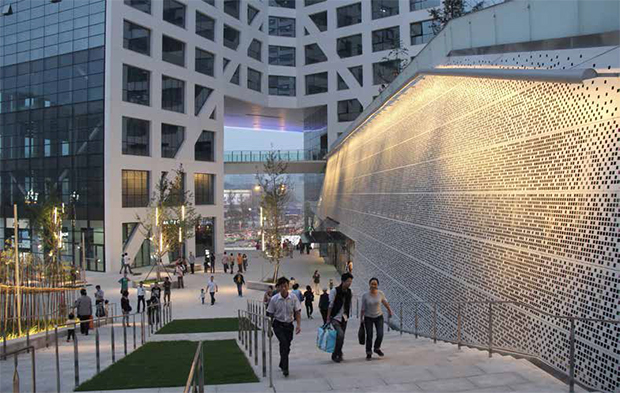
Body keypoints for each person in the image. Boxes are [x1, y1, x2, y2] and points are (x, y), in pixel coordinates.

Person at [266, 277, 301, 377]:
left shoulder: (293, 298)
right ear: (278, 288)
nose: (284, 289)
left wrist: (298, 325)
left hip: (289, 325)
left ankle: (282, 362)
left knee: (286, 346)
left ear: (288, 286)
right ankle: (285, 368)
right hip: (278, 325)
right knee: (284, 343)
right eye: (281, 287)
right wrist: (269, 328)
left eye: (285, 286)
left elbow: (297, 311)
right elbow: (270, 315)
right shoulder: (274, 299)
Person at [361, 277, 393, 360]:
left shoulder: (380, 294)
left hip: (379, 316)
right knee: (369, 335)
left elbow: (385, 302)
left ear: (377, 285)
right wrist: (361, 319)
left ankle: (376, 348)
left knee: (380, 334)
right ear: (369, 284)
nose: (373, 285)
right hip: (368, 317)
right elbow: (363, 308)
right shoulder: (365, 295)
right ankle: (368, 352)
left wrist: (389, 310)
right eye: (372, 283)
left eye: (375, 284)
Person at [326, 272, 353, 363]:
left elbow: (348, 304)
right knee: (340, 334)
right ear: (343, 281)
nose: (349, 283)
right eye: (348, 281)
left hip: (344, 318)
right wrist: (328, 317)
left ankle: (338, 353)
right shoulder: (335, 291)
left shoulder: (349, 292)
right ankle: (336, 354)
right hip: (335, 317)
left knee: (341, 337)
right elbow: (330, 304)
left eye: (350, 281)